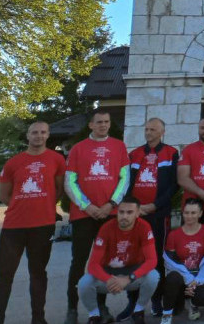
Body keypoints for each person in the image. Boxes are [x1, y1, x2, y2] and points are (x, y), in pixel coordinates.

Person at [0, 120, 66, 324]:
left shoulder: (57, 160)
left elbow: (59, 189)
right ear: (28, 135)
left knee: (38, 274)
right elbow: (5, 196)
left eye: (43, 132)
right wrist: (23, 204)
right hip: (14, 227)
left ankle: (38, 318)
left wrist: (45, 206)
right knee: (5, 275)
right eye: (34, 132)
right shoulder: (13, 162)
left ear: (48, 135)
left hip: (43, 226)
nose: (39, 136)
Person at [64, 108, 130, 324]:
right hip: (83, 215)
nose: (103, 125)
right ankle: (72, 309)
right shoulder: (78, 149)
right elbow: (70, 182)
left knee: (105, 262)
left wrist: (111, 204)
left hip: (109, 213)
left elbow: (124, 178)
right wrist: (87, 206)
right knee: (79, 262)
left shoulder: (119, 146)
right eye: (99, 122)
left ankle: (102, 307)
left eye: (106, 122)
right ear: (90, 125)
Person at [124, 117, 179, 320]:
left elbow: (174, 185)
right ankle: (132, 302)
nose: (148, 132)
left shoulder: (171, 153)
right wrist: (133, 208)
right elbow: (128, 183)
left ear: (162, 132)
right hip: (135, 215)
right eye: (146, 129)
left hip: (158, 214)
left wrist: (155, 205)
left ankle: (156, 299)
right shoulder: (135, 154)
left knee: (155, 259)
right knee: (132, 258)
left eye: (153, 129)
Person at [76, 197, 159, 324]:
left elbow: (152, 260)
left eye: (129, 212)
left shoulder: (144, 227)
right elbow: (93, 265)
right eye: (121, 212)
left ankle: (138, 311)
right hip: (109, 275)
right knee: (84, 283)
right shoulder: (106, 228)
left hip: (131, 274)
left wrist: (128, 278)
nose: (124, 216)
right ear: (117, 212)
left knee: (153, 276)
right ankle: (94, 315)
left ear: (138, 213)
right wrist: (109, 279)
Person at [161, 198, 204, 324]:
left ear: (200, 213)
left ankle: (193, 303)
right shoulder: (174, 235)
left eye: (193, 213)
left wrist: (197, 281)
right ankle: (167, 314)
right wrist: (188, 279)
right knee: (172, 279)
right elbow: (170, 261)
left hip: (198, 276)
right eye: (186, 212)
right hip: (181, 276)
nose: (189, 216)